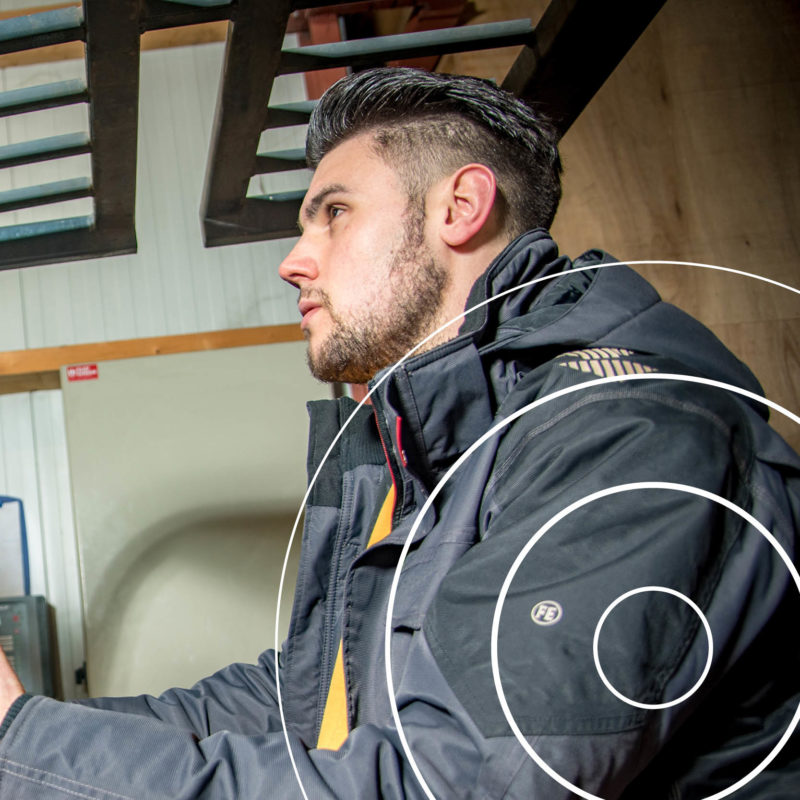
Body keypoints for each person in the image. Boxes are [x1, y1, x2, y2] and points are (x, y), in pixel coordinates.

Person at [0, 67, 798, 798]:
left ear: (460, 207)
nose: (293, 261)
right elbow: (308, 696)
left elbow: (447, 785)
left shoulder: (630, 433)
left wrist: (20, 739)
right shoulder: (426, 455)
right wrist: (28, 728)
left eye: (334, 214)